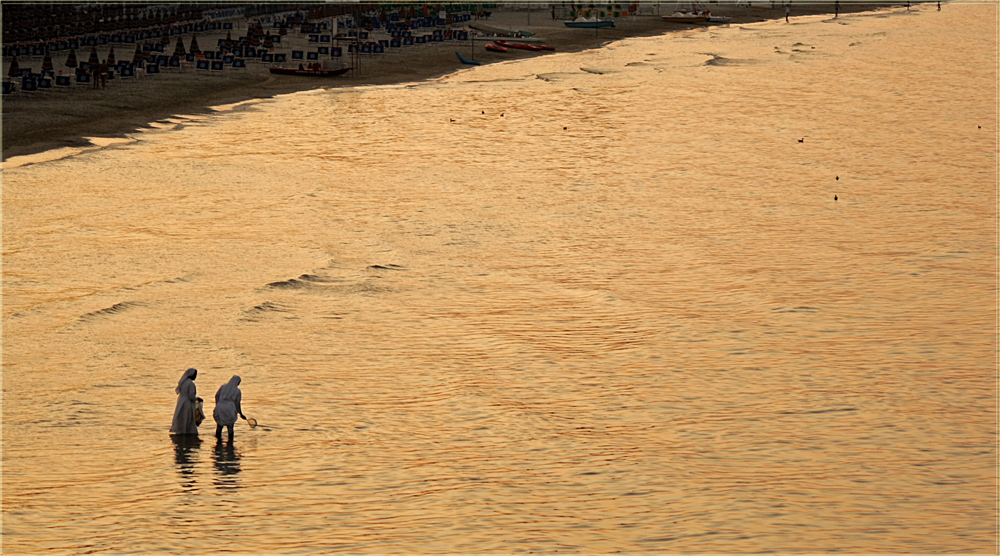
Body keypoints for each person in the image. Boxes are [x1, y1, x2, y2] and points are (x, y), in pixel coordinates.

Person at [213, 375, 246, 442]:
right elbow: (237, 403)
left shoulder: (223, 387)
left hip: (220, 406)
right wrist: (240, 413)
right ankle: (230, 444)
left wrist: (218, 405)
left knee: (219, 426)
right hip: (229, 408)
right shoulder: (237, 391)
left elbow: (216, 396)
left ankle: (218, 442)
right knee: (230, 427)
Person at [170, 368, 200, 435]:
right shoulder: (191, 384)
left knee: (182, 417)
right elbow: (191, 396)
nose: (195, 376)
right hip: (188, 403)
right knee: (188, 417)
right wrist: (197, 399)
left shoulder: (183, 383)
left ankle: (181, 431)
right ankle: (187, 432)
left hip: (181, 402)